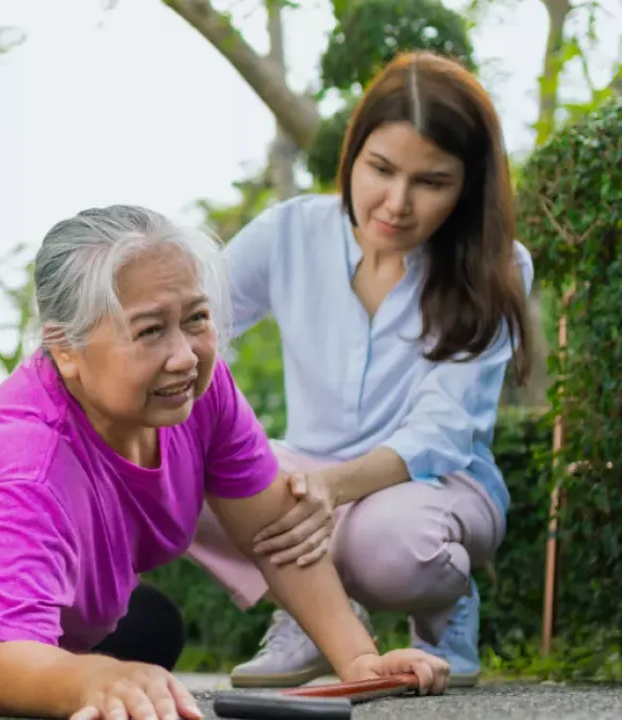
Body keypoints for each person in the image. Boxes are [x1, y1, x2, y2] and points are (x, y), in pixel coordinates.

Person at [0, 203, 451, 720]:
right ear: (64, 350)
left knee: (148, 637)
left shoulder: (199, 388)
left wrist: (359, 662)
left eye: (196, 319)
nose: (184, 355)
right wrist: (88, 679)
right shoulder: (25, 465)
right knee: (97, 669)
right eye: (150, 330)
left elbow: (272, 528)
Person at [183, 50, 535, 690]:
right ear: (354, 154)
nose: (397, 203)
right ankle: (314, 614)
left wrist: (333, 489)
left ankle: (443, 609)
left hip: (436, 487)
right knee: (173, 464)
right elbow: (189, 326)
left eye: (432, 182)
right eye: (381, 169)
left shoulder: (495, 266)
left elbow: (442, 431)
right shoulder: (289, 233)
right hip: (307, 475)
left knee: (390, 547)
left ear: (467, 186)